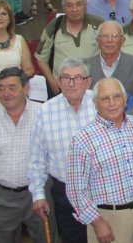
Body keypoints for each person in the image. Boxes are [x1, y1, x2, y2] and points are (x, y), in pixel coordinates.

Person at [66, 78, 133, 243]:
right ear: (95, 103)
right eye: (105, 98)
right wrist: (97, 222)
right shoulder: (83, 139)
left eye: (117, 96)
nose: (112, 103)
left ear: (125, 99)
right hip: (108, 217)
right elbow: (75, 190)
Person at [0, 66, 46, 243]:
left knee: (46, 238)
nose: (6, 93)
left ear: (26, 88)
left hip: (37, 194)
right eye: (1, 88)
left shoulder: (44, 114)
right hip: (1, 197)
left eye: (12, 88)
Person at [28, 58, 98, 243]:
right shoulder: (45, 111)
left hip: (102, 190)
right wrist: (38, 195)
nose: (72, 83)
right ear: (58, 82)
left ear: (89, 81)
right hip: (65, 194)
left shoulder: (102, 104)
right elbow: (37, 159)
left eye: (78, 78)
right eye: (66, 78)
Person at [35, 0, 104, 95]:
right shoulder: (53, 27)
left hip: (93, 88)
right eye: (69, 5)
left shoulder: (99, 25)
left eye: (78, 4)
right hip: (62, 89)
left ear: (85, 6)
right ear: (63, 8)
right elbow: (41, 58)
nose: (74, 9)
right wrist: (52, 81)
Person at [84, 21, 133, 110]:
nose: (109, 40)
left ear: (122, 41)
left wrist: (126, 118)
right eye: (105, 36)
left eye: (115, 36)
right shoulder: (85, 66)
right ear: (97, 41)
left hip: (129, 119)